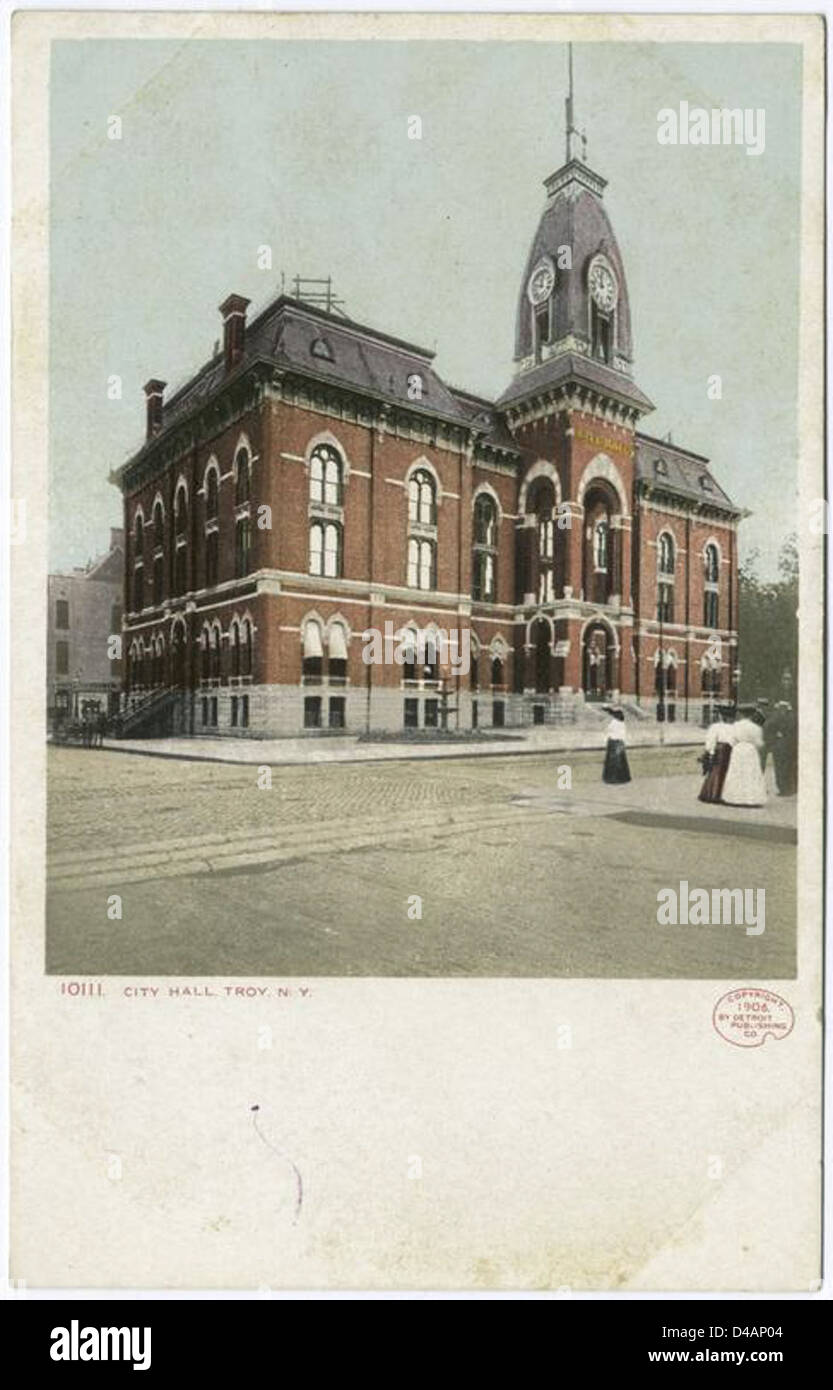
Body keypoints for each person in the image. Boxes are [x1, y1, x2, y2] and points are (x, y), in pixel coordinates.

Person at [721, 708, 767, 807]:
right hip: (750, 750)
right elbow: (759, 743)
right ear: (751, 715)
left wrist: (737, 745)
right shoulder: (756, 727)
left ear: (741, 714)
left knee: (736, 772)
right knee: (751, 773)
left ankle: (734, 798)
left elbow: (731, 741)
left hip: (738, 749)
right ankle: (752, 799)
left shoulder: (735, 726)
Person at [698, 713, 736, 804]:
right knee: (726, 771)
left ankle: (712, 794)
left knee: (716, 771)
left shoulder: (716, 726)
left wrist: (710, 751)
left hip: (720, 749)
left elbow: (711, 740)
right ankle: (723, 794)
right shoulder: (734, 727)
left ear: (721, 717)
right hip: (730, 750)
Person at [764, 702, 798, 797]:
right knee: (788, 767)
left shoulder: (776, 717)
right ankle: (789, 788)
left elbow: (767, 727)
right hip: (790, 746)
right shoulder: (793, 717)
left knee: (781, 767)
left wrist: (774, 738)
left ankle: (784, 789)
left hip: (780, 745)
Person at [602, 707, 631, 784]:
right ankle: (622, 778)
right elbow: (623, 734)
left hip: (613, 742)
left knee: (612, 761)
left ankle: (612, 778)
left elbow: (608, 731)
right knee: (621, 761)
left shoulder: (614, 722)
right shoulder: (622, 723)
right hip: (619, 741)